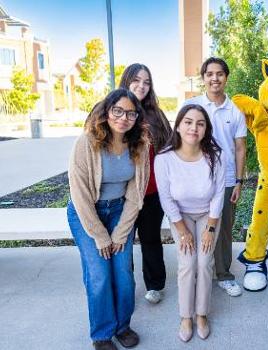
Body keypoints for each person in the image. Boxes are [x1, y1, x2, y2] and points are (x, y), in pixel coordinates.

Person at [67, 89, 149, 350]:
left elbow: (136, 194)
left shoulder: (140, 145)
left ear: (137, 117)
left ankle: (122, 326)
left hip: (119, 212)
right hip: (86, 213)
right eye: (118, 110)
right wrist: (101, 236)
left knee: (123, 272)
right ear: (107, 110)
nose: (124, 118)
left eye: (131, 113)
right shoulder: (87, 142)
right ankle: (102, 333)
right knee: (99, 274)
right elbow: (79, 194)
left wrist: (119, 234)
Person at [155, 104, 225, 342]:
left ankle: (201, 314)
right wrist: (183, 231)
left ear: (206, 129)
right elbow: (166, 198)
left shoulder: (216, 156)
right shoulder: (164, 159)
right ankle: (186, 317)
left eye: (200, 123)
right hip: (180, 216)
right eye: (188, 122)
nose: (193, 127)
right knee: (187, 263)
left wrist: (210, 229)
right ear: (178, 125)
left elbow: (218, 195)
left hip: (208, 213)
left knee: (204, 262)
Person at [183, 57, 246, 297]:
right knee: (197, 225)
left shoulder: (235, 112)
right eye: (209, 74)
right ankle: (199, 271)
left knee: (224, 230)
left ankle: (224, 274)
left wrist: (239, 181)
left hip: (228, 179)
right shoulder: (192, 107)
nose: (215, 78)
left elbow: (240, 148)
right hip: (198, 178)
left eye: (219, 74)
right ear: (203, 78)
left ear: (226, 77)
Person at [119, 63, 172, 304]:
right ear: (126, 81)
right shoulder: (115, 110)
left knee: (150, 239)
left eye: (147, 82)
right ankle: (124, 285)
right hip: (123, 193)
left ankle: (154, 285)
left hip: (153, 192)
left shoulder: (156, 115)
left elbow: (172, 149)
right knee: (124, 241)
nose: (142, 86)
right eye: (136, 80)